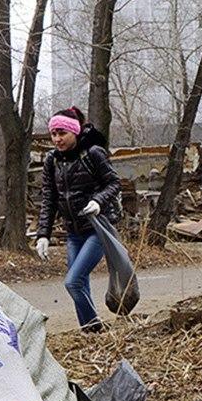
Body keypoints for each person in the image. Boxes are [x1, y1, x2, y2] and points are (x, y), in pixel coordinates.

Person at [35, 112, 121, 331]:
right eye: (53, 134)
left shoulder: (93, 153)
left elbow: (113, 183)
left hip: (98, 228)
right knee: (79, 284)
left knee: (73, 282)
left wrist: (98, 201)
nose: (57, 139)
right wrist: (43, 235)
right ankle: (89, 333)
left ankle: (95, 328)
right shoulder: (52, 160)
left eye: (62, 133)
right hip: (74, 233)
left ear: (74, 131)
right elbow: (49, 199)